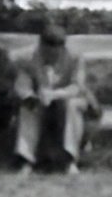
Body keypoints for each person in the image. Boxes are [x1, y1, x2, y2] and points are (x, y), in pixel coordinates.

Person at [10, 23, 94, 173]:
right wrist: (30, 96)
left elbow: (77, 87)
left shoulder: (75, 58)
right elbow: (22, 83)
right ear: (41, 45)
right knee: (28, 108)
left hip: (70, 98)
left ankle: (70, 159)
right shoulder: (28, 58)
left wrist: (55, 95)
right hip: (41, 99)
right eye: (47, 52)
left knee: (71, 107)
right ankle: (26, 159)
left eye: (55, 52)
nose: (51, 56)